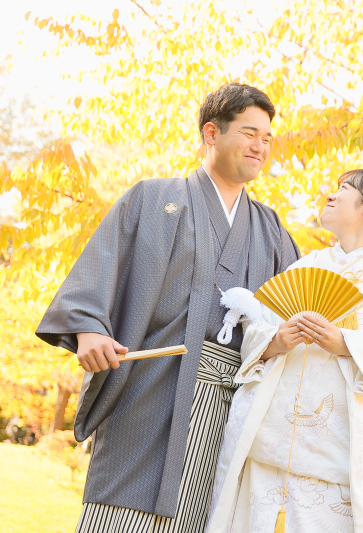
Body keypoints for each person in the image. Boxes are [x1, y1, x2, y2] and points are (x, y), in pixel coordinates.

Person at [35, 83, 300, 533]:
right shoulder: (153, 200)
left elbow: (296, 304)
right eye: (250, 133)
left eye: (268, 138)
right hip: (150, 388)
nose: (261, 146)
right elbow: (99, 270)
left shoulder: (270, 228)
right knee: (122, 510)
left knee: (206, 514)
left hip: (230, 403)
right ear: (211, 133)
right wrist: (88, 330)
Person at [205, 169, 363, 533]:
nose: (330, 196)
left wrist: (348, 344)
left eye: (344, 189)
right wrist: (275, 341)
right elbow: (259, 328)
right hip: (269, 446)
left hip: (335, 459)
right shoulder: (308, 264)